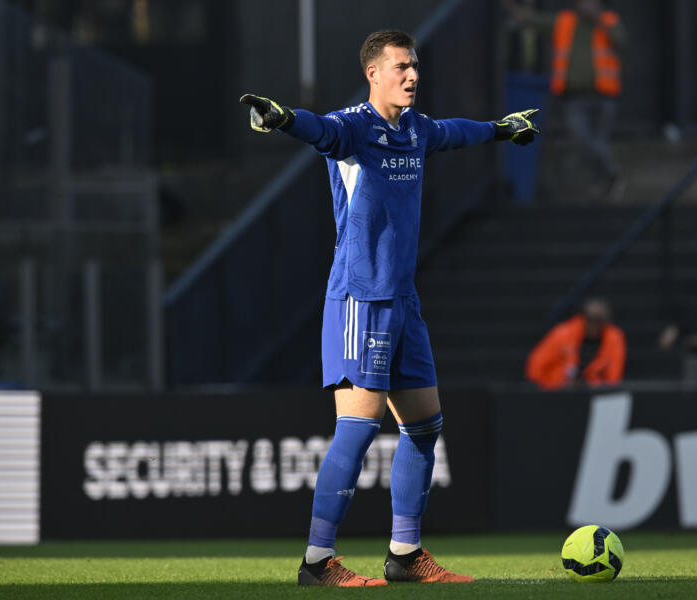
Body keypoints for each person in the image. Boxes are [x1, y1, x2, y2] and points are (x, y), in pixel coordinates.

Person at [239, 30, 539, 587]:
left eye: (416, 65)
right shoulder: (352, 127)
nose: (413, 75)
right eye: (402, 66)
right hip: (360, 296)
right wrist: (281, 117)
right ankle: (316, 562)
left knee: (424, 425)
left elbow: (454, 132)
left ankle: (405, 556)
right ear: (373, 72)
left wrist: (501, 129)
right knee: (357, 428)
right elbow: (318, 130)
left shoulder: (417, 130)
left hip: (403, 299)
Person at [503, 0, 626, 199]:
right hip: (574, 97)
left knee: (598, 142)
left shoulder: (609, 21)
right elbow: (531, 21)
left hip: (604, 95)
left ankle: (602, 183)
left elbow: (620, 40)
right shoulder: (564, 22)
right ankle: (611, 175)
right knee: (582, 139)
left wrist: (598, 20)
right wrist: (514, 9)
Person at [525, 298, 626, 389]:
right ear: (583, 317)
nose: (594, 324)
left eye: (598, 320)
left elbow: (614, 377)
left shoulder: (613, 338)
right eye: (590, 319)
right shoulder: (563, 334)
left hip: (593, 392)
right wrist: (555, 384)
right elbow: (535, 368)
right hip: (558, 390)